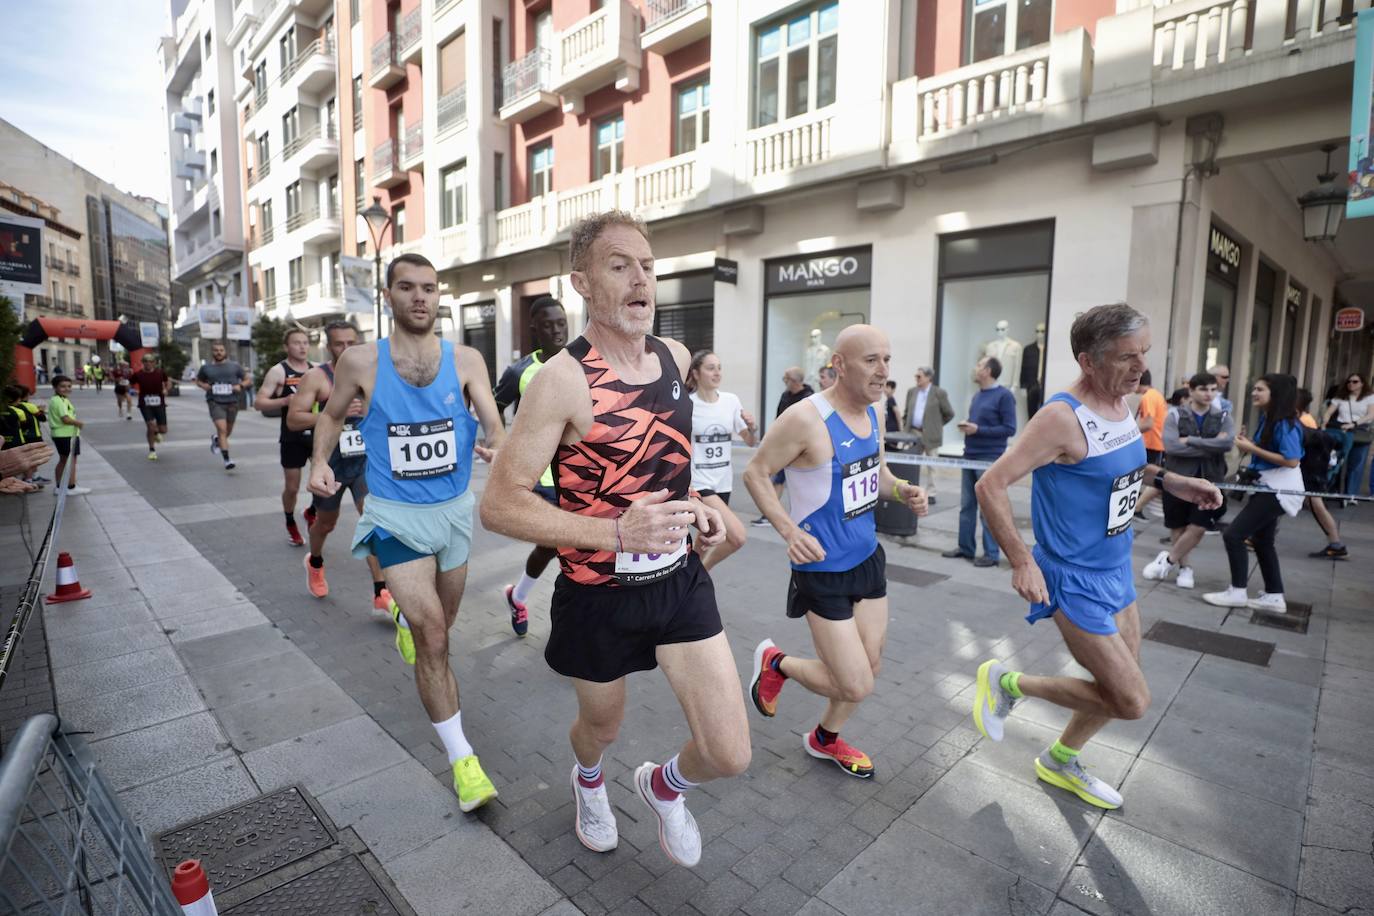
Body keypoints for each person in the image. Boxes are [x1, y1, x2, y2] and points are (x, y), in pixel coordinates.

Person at [480, 211, 750, 868]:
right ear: (583, 283)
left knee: (729, 752)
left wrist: (700, 504)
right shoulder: (563, 381)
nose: (640, 280)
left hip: (678, 581)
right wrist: (612, 531)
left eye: (648, 266)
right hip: (597, 594)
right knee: (601, 727)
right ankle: (590, 780)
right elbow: (499, 503)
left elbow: (666, 460)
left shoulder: (676, 358)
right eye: (619, 265)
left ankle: (663, 786)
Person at [970, 303, 1222, 809]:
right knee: (1131, 699)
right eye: (1127, 357)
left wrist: (1174, 481)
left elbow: (1125, 469)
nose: (1141, 368)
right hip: (1073, 578)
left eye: (1144, 353)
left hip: (1116, 569)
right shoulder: (1060, 419)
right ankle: (1008, 682)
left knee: (1115, 685)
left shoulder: (1120, 403)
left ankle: (1061, 759)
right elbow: (990, 485)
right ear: (1088, 360)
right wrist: (1022, 560)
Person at [309, 253, 505, 813]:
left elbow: (493, 421)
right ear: (388, 295)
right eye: (406, 288)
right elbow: (329, 415)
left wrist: (498, 442)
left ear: (438, 296)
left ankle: (402, 617)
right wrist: (321, 461)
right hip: (394, 514)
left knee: (440, 630)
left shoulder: (466, 359)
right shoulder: (360, 361)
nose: (419, 297)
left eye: (428, 288)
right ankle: (463, 761)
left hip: (453, 515)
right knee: (435, 638)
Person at [744, 325, 929, 782]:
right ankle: (776, 663)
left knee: (872, 665)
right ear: (839, 365)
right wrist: (787, 530)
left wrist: (903, 490)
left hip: (867, 557)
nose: (883, 370)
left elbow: (877, 472)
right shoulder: (806, 418)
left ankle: (824, 739)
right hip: (821, 566)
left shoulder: (877, 411)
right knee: (856, 682)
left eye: (886, 359)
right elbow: (756, 473)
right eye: (871, 360)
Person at [288, 320, 392, 614]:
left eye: (351, 343)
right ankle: (315, 561)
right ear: (327, 345)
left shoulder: (372, 375)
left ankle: (380, 592)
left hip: (364, 462)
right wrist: (336, 413)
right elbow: (294, 419)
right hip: (330, 464)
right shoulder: (317, 377)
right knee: (326, 523)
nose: (345, 349)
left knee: (372, 520)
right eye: (338, 344)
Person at [493, 296, 570, 637]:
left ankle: (518, 595)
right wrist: (501, 446)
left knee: (559, 548)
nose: (557, 330)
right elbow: (493, 406)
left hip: (583, 476)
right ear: (535, 329)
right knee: (561, 546)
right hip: (543, 478)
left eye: (561, 323)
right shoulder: (520, 371)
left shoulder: (585, 361)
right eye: (549, 324)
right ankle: (569, 630)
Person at [1203, 374, 1305, 613]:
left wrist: (1251, 448)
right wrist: (1250, 445)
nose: (1254, 393)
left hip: (1278, 490)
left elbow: (1291, 460)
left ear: (1275, 394)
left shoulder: (1284, 423)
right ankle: (1274, 595)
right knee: (1262, 541)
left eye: (1259, 389)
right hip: (1270, 487)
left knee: (1234, 535)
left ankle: (1238, 591)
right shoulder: (1271, 419)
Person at [1142, 372, 1233, 589]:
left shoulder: (1223, 416)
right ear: (1191, 391)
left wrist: (1191, 441)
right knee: (1177, 525)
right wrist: (1211, 445)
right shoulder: (1175, 415)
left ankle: (1169, 560)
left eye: (1213, 389)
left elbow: (1228, 444)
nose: (1209, 394)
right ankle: (1185, 567)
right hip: (1178, 478)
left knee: (1199, 525)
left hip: (1210, 480)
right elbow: (1173, 446)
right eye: (1203, 389)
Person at [687, 349, 758, 570]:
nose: (717, 373)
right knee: (736, 536)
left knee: (706, 539)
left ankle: (687, 580)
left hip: (723, 483)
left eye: (719, 367)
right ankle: (701, 576)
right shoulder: (688, 405)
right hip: (699, 483)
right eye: (710, 368)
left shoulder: (730, 401)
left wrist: (752, 427)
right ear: (696, 374)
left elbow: (749, 441)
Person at [943, 356, 1016, 567]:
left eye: (979, 365)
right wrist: (969, 427)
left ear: (989, 371)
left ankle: (991, 554)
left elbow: (1009, 429)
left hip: (988, 459)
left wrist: (978, 430)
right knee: (967, 506)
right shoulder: (977, 396)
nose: (975, 369)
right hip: (970, 456)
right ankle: (965, 548)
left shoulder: (1004, 396)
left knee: (988, 508)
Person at [257, 329, 316, 545]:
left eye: (305, 342)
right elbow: (259, 402)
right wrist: (284, 402)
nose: (302, 346)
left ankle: (312, 511)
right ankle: (290, 521)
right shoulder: (278, 371)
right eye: (296, 343)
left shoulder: (315, 370)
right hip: (291, 436)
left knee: (323, 482)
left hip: (316, 434)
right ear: (286, 347)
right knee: (292, 487)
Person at [751, 367, 814, 527]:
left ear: (794, 381)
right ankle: (769, 515)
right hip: (784, 447)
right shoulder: (785, 396)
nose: (784, 382)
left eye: (786, 379)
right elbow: (778, 419)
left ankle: (800, 515)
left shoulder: (809, 398)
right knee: (777, 480)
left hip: (802, 448)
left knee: (801, 484)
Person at [1297, 388, 1346, 559]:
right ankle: (1336, 543)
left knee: (1316, 504)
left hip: (1311, 470)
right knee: (1312, 504)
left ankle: (1336, 544)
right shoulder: (1304, 418)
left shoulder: (1304, 420)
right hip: (1311, 469)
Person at [195, 341, 251, 471]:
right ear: (212, 352)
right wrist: (204, 385)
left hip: (232, 402)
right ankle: (227, 460)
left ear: (225, 352)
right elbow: (198, 380)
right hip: (215, 402)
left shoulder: (234, 366)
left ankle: (216, 440)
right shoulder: (206, 368)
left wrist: (240, 386)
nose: (218, 352)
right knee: (222, 429)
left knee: (227, 431)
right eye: (216, 350)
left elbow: (247, 380)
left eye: (221, 350)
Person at [903, 367, 955, 506]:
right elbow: (907, 412)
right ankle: (911, 490)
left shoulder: (939, 393)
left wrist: (936, 425)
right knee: (911, 463)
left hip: (931, 434)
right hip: (913, 433)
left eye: (919, 376)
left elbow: (949, 413)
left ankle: (931, 493)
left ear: (928, 378)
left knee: (932, 465)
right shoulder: (912, 392)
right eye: (916, 376)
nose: (916, 379)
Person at [1323, 373, 1373, 499]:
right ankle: (1334, 489)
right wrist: (1324, 422)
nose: (1351, 384)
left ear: (1362, 383)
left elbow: (1371, 414)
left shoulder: (1369, 397)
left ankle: (1351, 495)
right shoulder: (1341, 397)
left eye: (1355, 381)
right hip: (1342, 432)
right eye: (1349, 381)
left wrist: (1355, 423)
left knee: (1356, 464)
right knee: (1338, 460)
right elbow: (1328, 412)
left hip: (1360, 431)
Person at [1131, 369, 1168, 518]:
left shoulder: (1148, 397)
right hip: (1156, 443)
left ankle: (1137, 507)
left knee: (1153, 477)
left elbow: (1148, 424)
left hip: (1154, 443)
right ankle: (1137, 507)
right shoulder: (1155, 394)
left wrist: (1126, 433)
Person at [47, 376, 91, 496]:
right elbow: (65, 419)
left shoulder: (62, 399)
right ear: (55, 387)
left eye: (69, 386)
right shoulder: (58, 400)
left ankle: (60, 486)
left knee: (64, 461)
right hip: (65, 435)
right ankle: (70, 487)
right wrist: (79, 423)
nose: (66, 389)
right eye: (63, 386)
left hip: (64, 435)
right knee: (70, 462)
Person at [130, 354, 170, 461]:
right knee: (151, 426)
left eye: (151, 361)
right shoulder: (138, 374)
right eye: (146, 361)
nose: (148, 363)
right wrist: (132, 390)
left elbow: (167, 382)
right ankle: (152, 450)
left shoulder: (160, 373)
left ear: (154, 363)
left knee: (163, 430)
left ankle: (157, 433)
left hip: (159, 403)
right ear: (143, 363)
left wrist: (166, 389)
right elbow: (130, 383)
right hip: (145, 403)